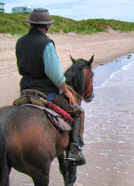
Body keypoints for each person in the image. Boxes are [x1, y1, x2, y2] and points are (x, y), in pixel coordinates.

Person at [15, 8, 85, 165]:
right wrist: (66, 90)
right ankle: (74, 150)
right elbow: (53, 73)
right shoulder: (46, 43)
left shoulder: (20, 42)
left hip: (25, 89)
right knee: (78, 112)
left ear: (31, 25)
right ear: (46, 26)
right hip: (45, 92)